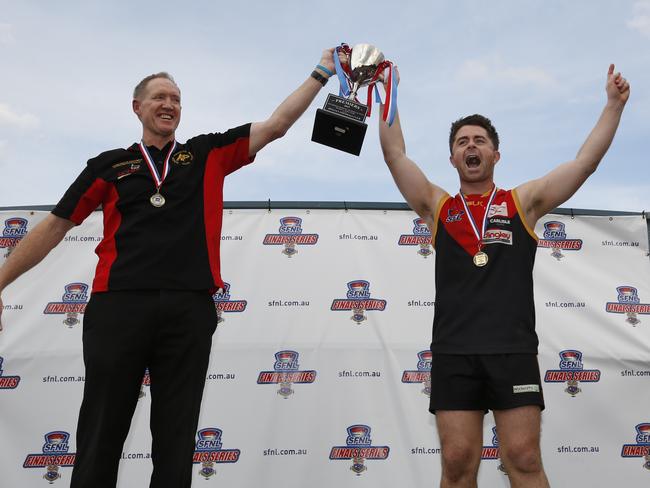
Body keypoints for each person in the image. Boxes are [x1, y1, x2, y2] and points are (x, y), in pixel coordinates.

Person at [0, 49, 337, 487]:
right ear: (137, 107)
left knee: (176, 437)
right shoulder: (109, 165)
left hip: (188, 309)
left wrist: (322, 72)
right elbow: (55, 225)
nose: (170, 105)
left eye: (177, 99)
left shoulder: (206, 153)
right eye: (160, 97)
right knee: (102, 430)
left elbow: (275, 126)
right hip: (118, 307)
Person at [378, 64, 629, 487]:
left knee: (524, 458)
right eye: (462, 142)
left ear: (495, 154)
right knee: (457, 463)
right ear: (453, 158)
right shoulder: (438, 207)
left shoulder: (522, 203)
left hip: (511, 349)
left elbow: (584, 163)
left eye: (479, 140)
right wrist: (388, 92)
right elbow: (395, 155)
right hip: (455, 351)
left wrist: (614, 106)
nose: (470, 146)